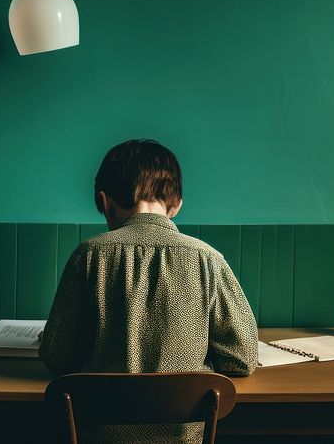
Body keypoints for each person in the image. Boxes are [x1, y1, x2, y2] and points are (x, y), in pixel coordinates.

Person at [39, 139, 259, 443]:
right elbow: (242, 358)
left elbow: (58, 357)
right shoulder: (208, 259)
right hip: (185, 437)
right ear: (177, 205)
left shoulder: (88, 255)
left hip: (100, 435)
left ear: (104, 202)